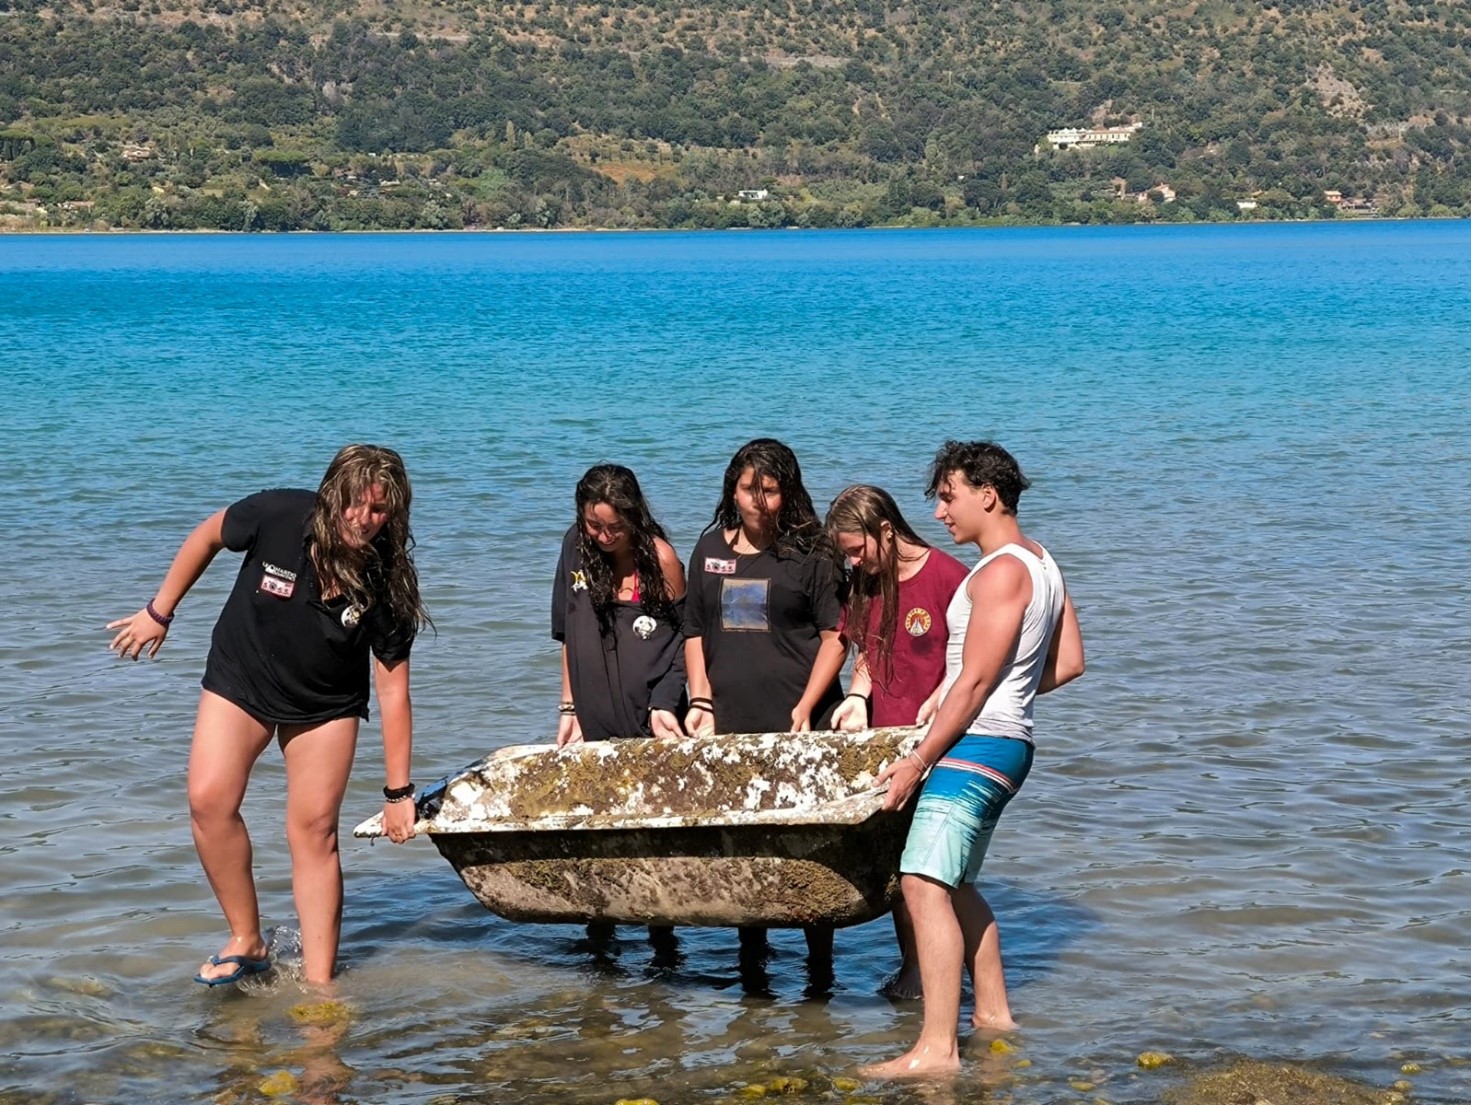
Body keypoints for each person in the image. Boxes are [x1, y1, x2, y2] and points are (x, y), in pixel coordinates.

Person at [106, 444, 430, 988]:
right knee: (208, 801)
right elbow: (208, 534)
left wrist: (399, 795)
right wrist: (159, 610)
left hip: (324, 704)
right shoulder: (279, 515)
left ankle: (321, 988)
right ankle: (247, 939)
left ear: (393, 515)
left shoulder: (388, 581)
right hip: (243, 676)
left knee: (314, 831)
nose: (364, 519)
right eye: (355, 503)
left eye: (379, 511)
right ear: (333, 496)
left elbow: (394, 691)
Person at [861, 440, 1084, 1079]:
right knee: (954, 883)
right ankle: (992, 1015)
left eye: (947, 496)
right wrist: (987, 686)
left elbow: (980, 682)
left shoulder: (999, 572)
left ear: (987, 495)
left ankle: (937, 1049)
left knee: (921, 883)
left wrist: (916, 759)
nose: (938, 512)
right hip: (1008, 743)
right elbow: (1067, 663)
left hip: (977, 746)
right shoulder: (1043, 563)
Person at [683, 438, 847, 965]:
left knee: (808, 857)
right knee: (743, 855)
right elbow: (692, 631)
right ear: (732, 489)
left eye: (771, 491)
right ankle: (751, 969)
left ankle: (820, 972)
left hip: (802, 723)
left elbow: (836, 637)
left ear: (788, 493)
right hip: (730, 722)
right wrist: (701, 701)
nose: (758, 501)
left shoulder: (814, 553)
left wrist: (806, 707)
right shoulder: (710, 550)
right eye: (749, 489)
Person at [825, 484, 970, 999]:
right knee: (900, 868)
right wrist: (859, 697)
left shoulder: (949, 577)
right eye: (847, 555)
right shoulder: (865, 583)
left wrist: (939, 709)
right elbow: (866, 649)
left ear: (886, 529)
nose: (854, 562)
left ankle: (933, 976)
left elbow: (968, 666)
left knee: (931, 872)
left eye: (858, 550)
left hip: (938, 744)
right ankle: (917, 968)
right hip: (884, 744)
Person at [552, 463, 687, 744]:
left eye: (616, 527)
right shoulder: (574, 547)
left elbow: (685, 641)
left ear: (634, 516)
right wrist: (569, 708)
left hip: (654, 719)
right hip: (591, 719)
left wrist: (663, 703)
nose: (604, 536)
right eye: (594, 525)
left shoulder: (661, 560)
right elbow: (568, 633)